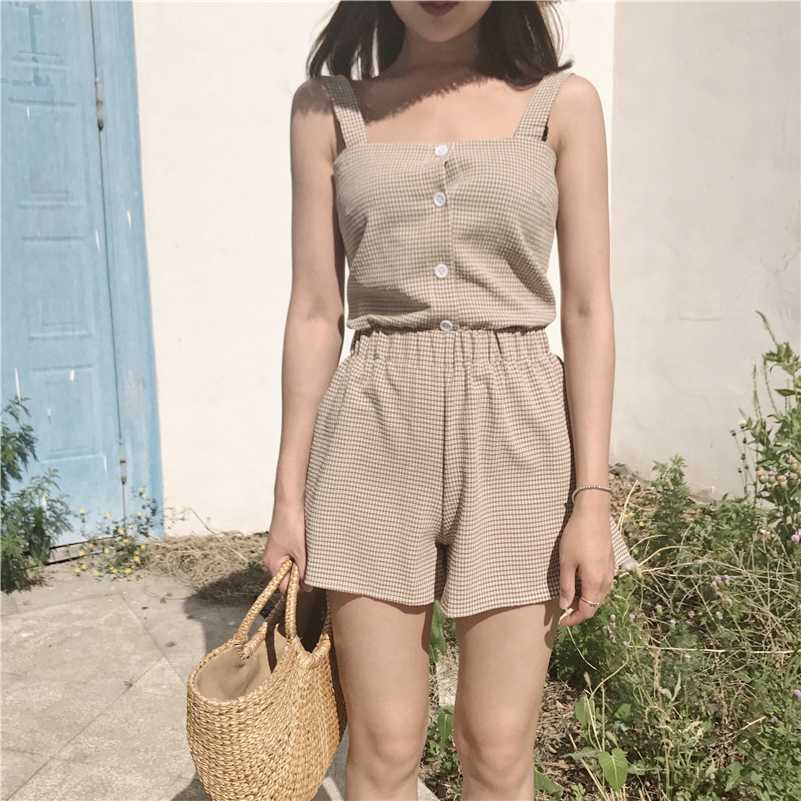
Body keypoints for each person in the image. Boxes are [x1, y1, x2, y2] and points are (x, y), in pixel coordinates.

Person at [263, 2, 635, 799]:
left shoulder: (562, 106)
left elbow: (587, 309)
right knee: (384, 745)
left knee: (496, 748)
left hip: (519, 438)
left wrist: (591, 498)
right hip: (371, 435)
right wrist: (287, 496)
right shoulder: (325, 111)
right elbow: (315, 312)